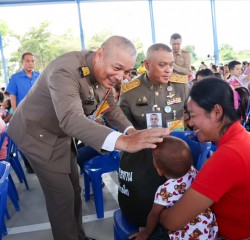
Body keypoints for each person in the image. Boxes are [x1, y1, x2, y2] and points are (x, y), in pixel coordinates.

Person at [7, 36, 170, 240]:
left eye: (126, 71)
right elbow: (70, 118)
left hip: (60, 135)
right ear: (100, 54)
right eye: (117, 68)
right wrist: (124, 142)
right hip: (36, 135)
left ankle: (79, 237)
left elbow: (110, 108)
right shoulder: (65, 71)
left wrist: (131, 131)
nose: (120, 76)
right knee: (62, 197)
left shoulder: (104, 73)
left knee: (74, 188)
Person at [159, 77, 250, 239]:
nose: (191, 123)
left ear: (217, 111)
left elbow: (173, 222)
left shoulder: (229, 155)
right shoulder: (241, 137)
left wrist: (157, 212)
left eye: (193, 115)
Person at [118, 43, 189, 231]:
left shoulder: (181, 86)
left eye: (171, 65)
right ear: (147, 64)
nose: (168, 70)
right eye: (162, 65)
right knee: (143, 203)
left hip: (176, 157)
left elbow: (194, 115)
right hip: (144, 157)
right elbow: (121, 124)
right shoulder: (130, 90)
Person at [130, 136, 218, 240]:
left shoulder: (165, 190)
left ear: (159, 170)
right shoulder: (193, 171)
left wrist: (146, 233)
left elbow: (154, 214)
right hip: (208, 231)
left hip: (185, 235)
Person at [6, 52, 40, 173]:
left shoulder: (39, 75)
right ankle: (29, 164)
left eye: (32, 61)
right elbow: (12, 96)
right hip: (24, 115)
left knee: (39, 139)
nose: (30, 63)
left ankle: (40, 163)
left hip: (39, 114)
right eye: (27, 61)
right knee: (27, 141)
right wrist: (15, 113)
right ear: (22, 62)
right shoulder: (16, 77)